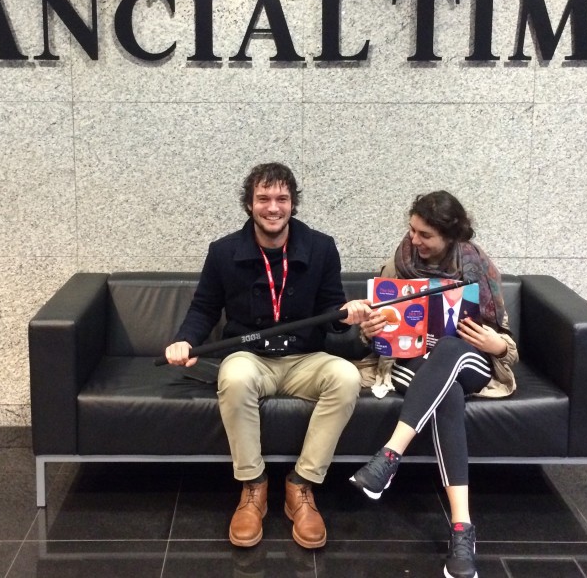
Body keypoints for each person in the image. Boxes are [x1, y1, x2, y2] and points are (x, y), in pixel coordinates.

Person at [164, 162, 371, 550]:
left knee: (346, 377)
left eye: (282, 199)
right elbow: (204, 309)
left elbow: (332, 312)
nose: (272, 207)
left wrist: (349, 317)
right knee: (235, 377)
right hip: (249, 357)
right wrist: (185, 341)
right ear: (249, 204)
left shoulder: (321, 247)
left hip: (305, 358)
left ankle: (302, 486)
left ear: (293, 204)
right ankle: (253, 487)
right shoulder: (223, 252)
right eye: (263, 198)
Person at [348, 190, 517, 578]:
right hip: (413, 364)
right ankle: (462, 528)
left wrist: (496, 343)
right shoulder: (399, 262)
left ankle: (389, 456)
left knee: (451, 350)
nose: (414, 241)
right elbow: (376, 330)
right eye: (411, 231)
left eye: (425, 235)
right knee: (448, 395)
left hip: (471, 361)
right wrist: (370, 329)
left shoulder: (478, 266)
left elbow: (504, 341)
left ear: (450, 235)